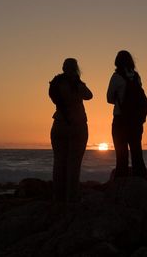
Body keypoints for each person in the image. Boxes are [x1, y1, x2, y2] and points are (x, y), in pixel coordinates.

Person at [49, 58, 93, 202]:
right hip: (77, 126)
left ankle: (57, 197)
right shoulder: (76, 84)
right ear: (75, 68)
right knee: (73, 164)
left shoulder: (56, 83)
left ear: (63, 68)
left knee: (59, 163)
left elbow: (53, 97)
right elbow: (89, 95)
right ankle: (71, 198)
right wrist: (78, 81)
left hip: (59, 124)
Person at [107, 50, 147, 178]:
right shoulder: (136, 77)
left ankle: (121, 187)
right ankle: (140, 184)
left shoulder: (116, 77)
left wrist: (119, 99)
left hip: (120, 119)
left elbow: (109, 99)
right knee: (137, 154)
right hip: (136, 121)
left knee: (121, 156)